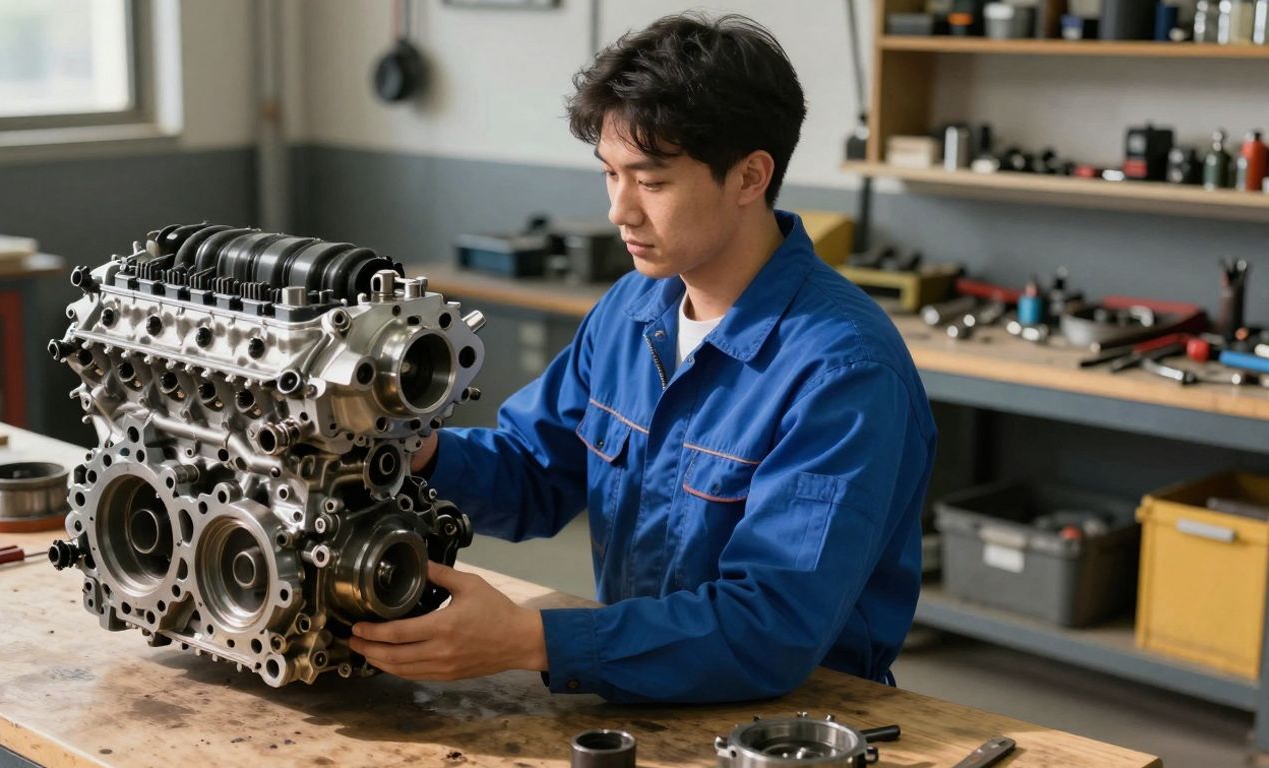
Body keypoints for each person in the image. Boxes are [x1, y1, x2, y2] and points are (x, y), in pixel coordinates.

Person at [347, 12, 936, 703]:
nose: (619, 212)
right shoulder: (633, 311)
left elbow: (769, 626)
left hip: (795, 719)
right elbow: (536, 470)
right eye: (610, 175)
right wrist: (416, 453)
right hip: (636, 691)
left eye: (651, 182)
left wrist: (530, 640)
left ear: (750, 177)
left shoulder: (843, 373)